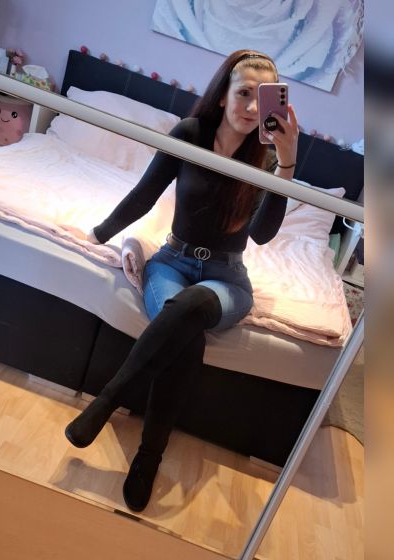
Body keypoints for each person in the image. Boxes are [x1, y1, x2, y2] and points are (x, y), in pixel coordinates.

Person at [63, 49, 299, 512]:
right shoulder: (190, 134)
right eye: (244, 93)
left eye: (263, 98)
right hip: (172, 262)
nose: (253, 107)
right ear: (223, 94)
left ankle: (107, 402)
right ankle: (148, 460)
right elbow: (145, 194)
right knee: (186, 338)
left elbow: (262, 234)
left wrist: (287, 165)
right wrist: (98, 234)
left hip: (226, 278)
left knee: (191, 307)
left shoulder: (268, 158)